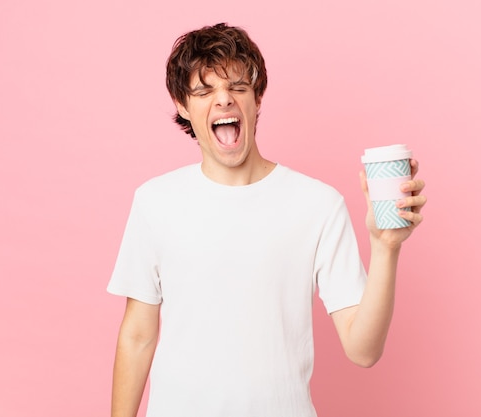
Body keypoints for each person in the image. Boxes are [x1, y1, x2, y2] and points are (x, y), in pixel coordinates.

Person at [107, 23, 426, 417]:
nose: (224, 100)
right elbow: (137, 337)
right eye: (205, 91)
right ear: (183, 105)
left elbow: (363, 350)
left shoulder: (318, 205)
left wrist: (385, 248)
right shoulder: (154, 202)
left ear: (257, 99)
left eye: (238, 87)